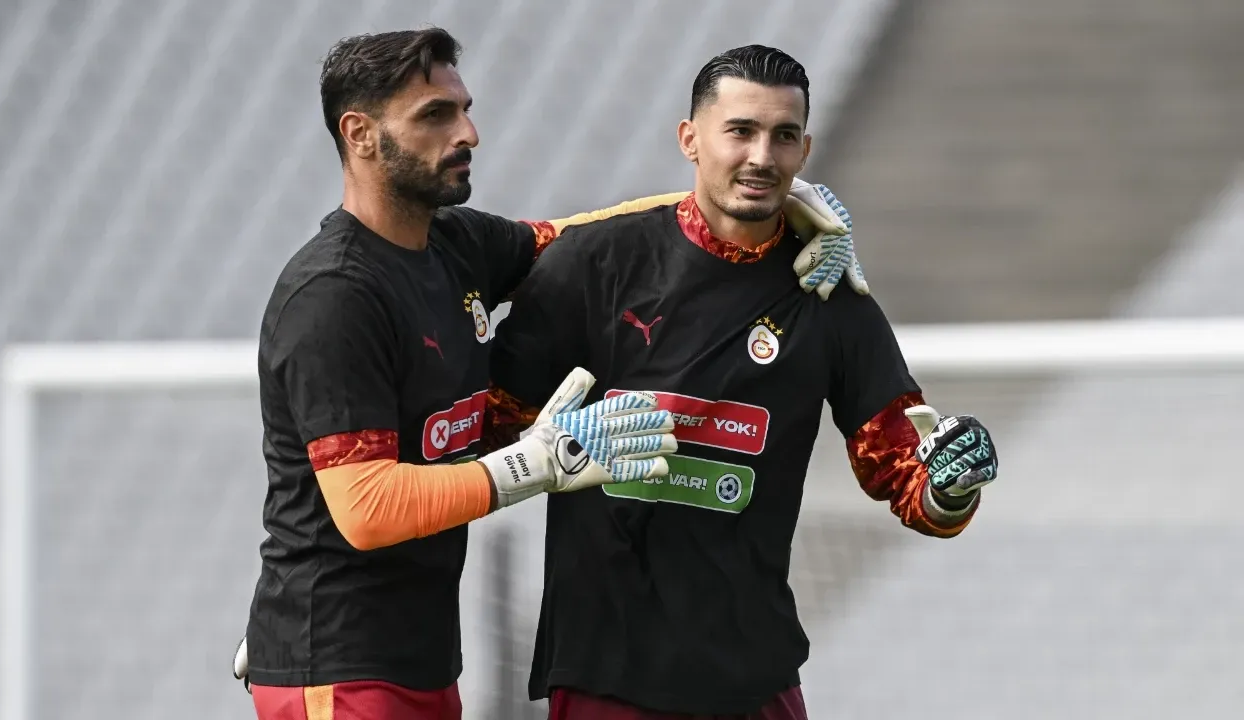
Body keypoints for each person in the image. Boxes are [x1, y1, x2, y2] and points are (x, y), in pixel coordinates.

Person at [236, 28, 866, 720]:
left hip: (414, 657)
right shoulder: (334, 296)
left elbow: (594, 243)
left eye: (464, 109)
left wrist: (773, 206)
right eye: (435, 115)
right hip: (334, 660)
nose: (468, 133)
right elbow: (367, 510)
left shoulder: (454, 245)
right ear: (359, 134)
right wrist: (534, 465)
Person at [487, 44, 1000, 719]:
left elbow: (907, 472)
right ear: (689, 139)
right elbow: (481, 425)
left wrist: (951, 485)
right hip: (604, 668)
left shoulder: (829, 291)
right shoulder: (594, 263)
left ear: (805, 151)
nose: (762, 155)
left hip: (753, 672)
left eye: (783, 136)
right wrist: (536, 453)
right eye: (740, 131)